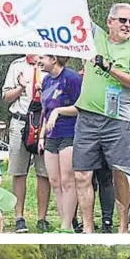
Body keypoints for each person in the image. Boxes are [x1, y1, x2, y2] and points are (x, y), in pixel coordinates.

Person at [72, 3, 130, 234]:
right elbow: (76, 8)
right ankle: (87, 230)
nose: (127, 25)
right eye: (122, 20)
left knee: (121, 176)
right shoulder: (95, 36)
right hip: (87, 117)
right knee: (82, 174)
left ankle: (123, 228)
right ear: (109, 22)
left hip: (118, 122)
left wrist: (109, 68)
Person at [2, 54, 51, 232]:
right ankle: (19, 217)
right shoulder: (17, 65)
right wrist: (20, 86)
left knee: (44, 172)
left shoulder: (50, 63)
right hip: (21, 120)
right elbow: (6, 96)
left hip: (44, 123)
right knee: (19, 171)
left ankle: (42, 218)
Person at [39, 55, 82, 232]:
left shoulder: (72, 78)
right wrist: (41, 135)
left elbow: (81, 107)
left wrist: (59, 111)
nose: (38, 60)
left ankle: (66, 226)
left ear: (54, 59)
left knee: (67, 180)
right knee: (55, 181)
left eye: (42, 57)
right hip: (51, 135)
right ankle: (65, 222)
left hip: (69, 133)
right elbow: (45, 111)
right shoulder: (46, 80)